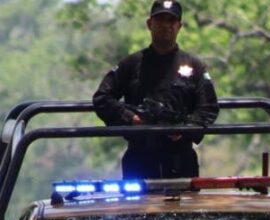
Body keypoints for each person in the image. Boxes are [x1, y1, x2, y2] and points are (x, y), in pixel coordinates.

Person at [92, 0, 219, 179]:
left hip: (180, 160)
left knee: (184, 198)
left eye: (171, 20)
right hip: (139, 158)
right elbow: (102, 98)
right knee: (138, 198)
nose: (165, 25)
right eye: (160, 20)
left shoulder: (193, 66)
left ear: (179, 26)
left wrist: (184, 129)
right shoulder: (132, 64)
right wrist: (130, 118)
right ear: (149, 24)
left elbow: (208, 108)